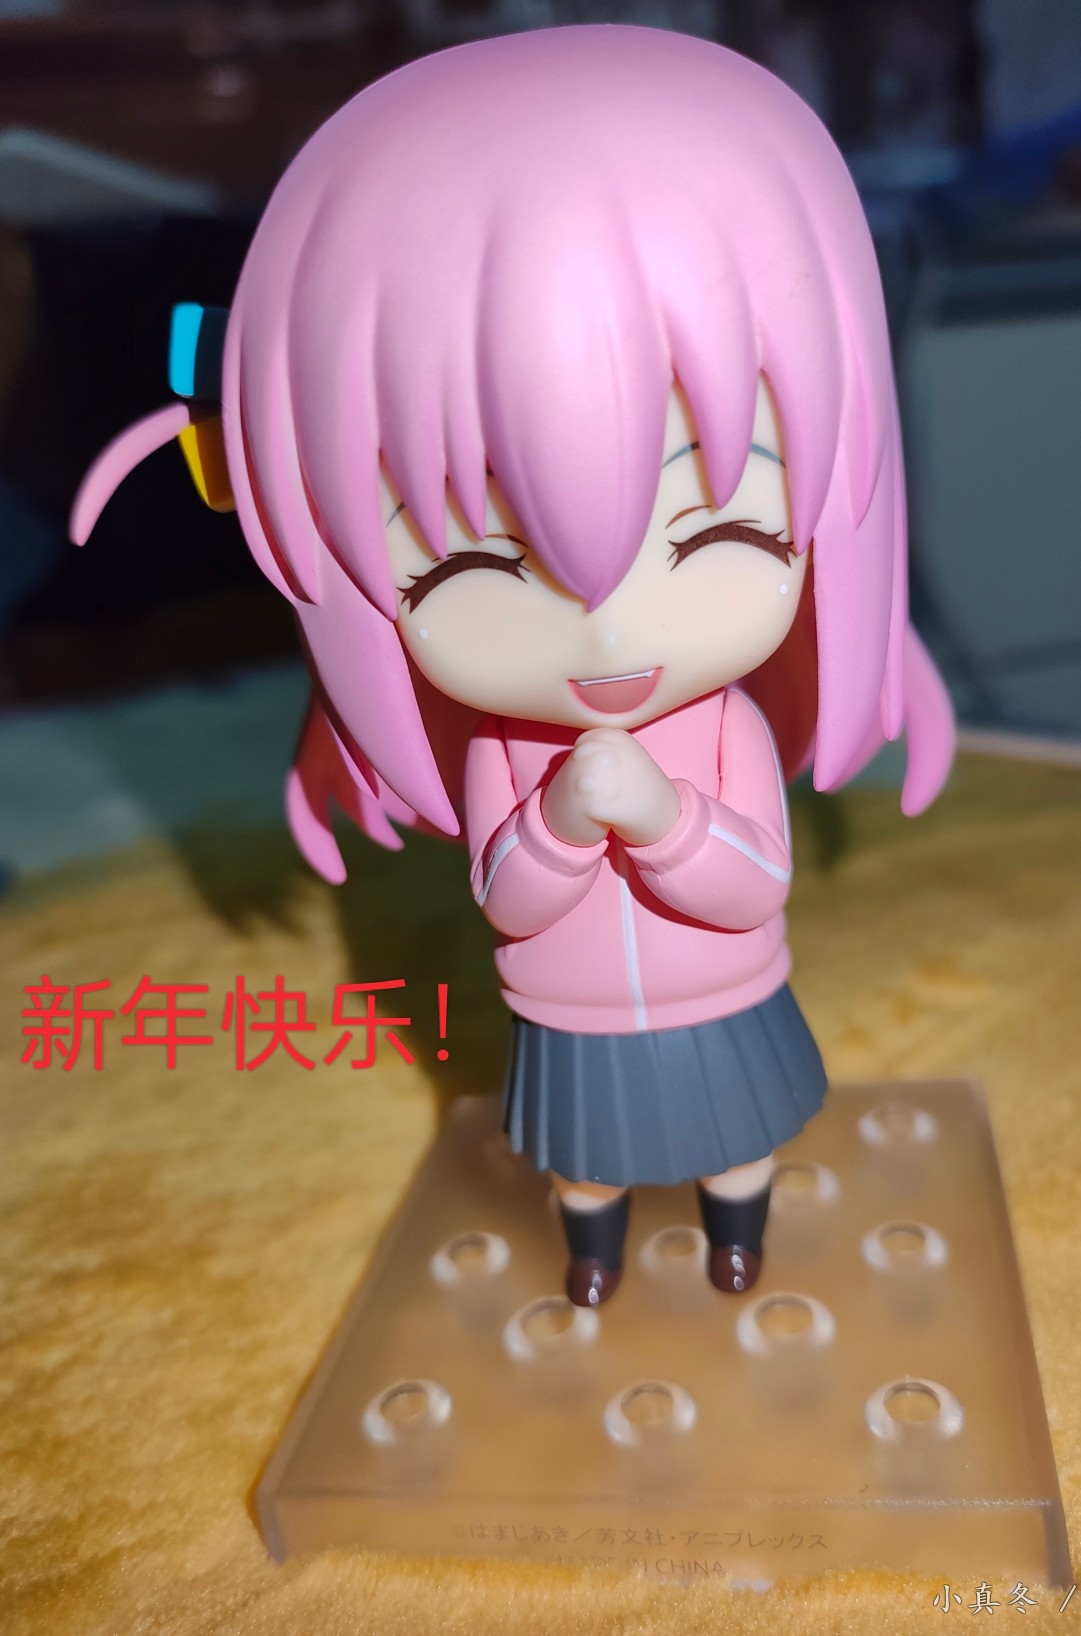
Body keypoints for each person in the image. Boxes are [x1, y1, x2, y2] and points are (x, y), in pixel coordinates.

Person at [72, 25, 954, 1307]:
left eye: (712, 532)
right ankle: (593, 1251)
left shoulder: (724, 732)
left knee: (739, 1131)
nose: (605, 631)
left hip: (723, 993)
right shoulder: (503, 747)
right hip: (568, 1008)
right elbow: (507, 893)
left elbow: (753, 879)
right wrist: (560, 824)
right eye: (473, 566)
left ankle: (737, 1232)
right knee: (583, 1160)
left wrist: (665, 819)